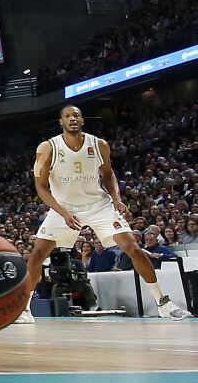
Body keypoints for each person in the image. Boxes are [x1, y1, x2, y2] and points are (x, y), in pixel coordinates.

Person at [15, 105, 191, 323]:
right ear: (61, 122)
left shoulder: (99, 145)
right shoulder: (47, 148)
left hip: (99, 205)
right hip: (64, 207)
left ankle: (163, 303)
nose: (73, 119)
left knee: (133, 248)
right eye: (67, 116)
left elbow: (108, 174)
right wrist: (62, 212)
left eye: (76, 116)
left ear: (82, 120)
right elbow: (41, 186)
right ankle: (25, 311)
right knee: (38, 255)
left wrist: (117, 199)